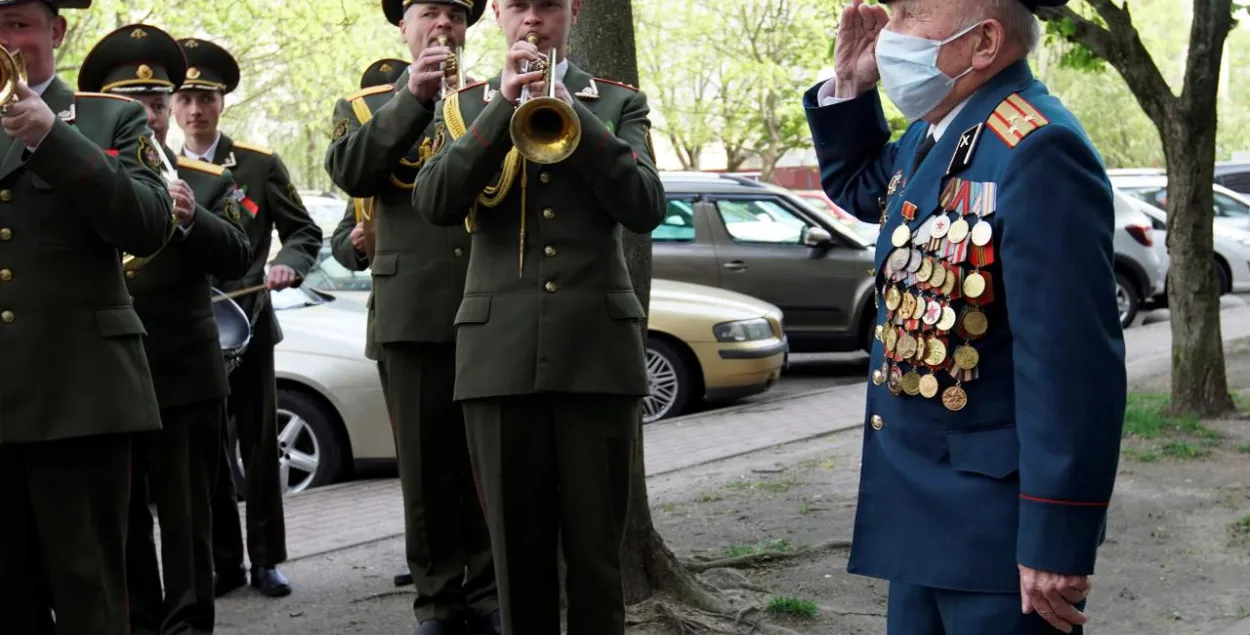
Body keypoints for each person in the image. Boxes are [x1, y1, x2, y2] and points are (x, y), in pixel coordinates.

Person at [803, 0, 1126, 633]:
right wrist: (848, 85)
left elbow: (1070, 368)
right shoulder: (939, 127)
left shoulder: (1038, 147)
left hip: (995, 534)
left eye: (910, 17)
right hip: (921, 513)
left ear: (982, 44)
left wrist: (1056, 538)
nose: (888, 37)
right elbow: (868, 189)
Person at [412, 0, 665, 631]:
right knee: (515, 564)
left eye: (547, 6)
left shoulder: (617, 103)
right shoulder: (464, 105)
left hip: (596, 356)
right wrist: (502, 108)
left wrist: (572, 112)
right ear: (496, 14)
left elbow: (646, 206)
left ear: (572, 12)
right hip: (499, 357)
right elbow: (436, 203)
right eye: (518, 5)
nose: (533, 21)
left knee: (596, 562)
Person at [325, 2, 501, 633]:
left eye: (456, 13)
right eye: (430, 12)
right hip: (410, 314)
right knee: (426, 476)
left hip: (491, 308)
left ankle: (489, 590)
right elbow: (351, 172)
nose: (444, 25)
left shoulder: (494, 97)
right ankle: (437, 601)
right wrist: (413, 97)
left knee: (490, 465)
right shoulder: (364, 107)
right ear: (404, 26)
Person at [0, 1, 175, 633]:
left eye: (18, 22)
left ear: (56, 30)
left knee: (90, 592)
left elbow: (150, 224)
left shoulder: (112, 116)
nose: (6, 39)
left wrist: (52, 137)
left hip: (80, 395)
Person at [76, 22, 253, 634]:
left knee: (187, 520)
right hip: (108, 379)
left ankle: (188, 626)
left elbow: (238, 255)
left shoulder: (207, 180)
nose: (148, 116)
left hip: (185, 377)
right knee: (120, 520)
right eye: (134, 105)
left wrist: (191, 219)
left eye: (156, 104)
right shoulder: (82, 182)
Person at [173, 35, 323, 599]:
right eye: (184, 98)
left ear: (221, 103)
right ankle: (223, 563)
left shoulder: (257, 166)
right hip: (191, 329)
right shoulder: (157, 162)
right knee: (206, 450)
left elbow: (305, 231)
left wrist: (288, 263)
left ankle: (266, 560)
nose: (194, 110)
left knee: (260, 446)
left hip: (252, 321)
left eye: (205, 97)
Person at [326, 54, 416, 591]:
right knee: (415, 451)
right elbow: (343, 235)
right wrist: (354, 246)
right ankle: (424, 554)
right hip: (394, 316)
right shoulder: (366, 165)